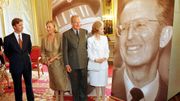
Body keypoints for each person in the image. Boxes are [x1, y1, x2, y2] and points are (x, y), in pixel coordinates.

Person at [111, 0, 174, 101]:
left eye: (140, 25)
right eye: (124, 28)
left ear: (164, 36)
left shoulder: (171, 96)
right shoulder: (113, 89)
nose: (130, 36)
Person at [3, 18, 34, 101]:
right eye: (20, 25)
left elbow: (29, 49)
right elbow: (7, 53)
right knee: (17, 87)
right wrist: (15, 59)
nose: (22, 26)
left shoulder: (27, 37)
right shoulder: (7, 39)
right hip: (15, 66)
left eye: (22, 24)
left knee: (29, 85)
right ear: (14, 26)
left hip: (27, 65)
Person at [41, 20, 69, 101]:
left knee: (60, 82)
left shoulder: (60, 36)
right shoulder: (44, 38)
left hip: (59, 63)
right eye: (47, 27)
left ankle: (62, 98)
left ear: (54, 27)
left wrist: (53, 58)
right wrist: (46, 61)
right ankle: (56, 98)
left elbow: (62, 51)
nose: (48, 28)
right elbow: (42, 52)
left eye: (49, 27)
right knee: (54, 82)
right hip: (50, 64)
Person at [63, 15, 88, 101]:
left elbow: (87, 47)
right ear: (71, 23)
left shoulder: (85, 32)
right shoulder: (66, 34)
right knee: (75, 86)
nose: (78, 24)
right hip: (72, 65)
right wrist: (66, 64)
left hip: (84, 63)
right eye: (75, 22)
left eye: (79, 22)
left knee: (84, 86)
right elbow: (64, 51)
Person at [87, 21, 109, 101]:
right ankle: (97, 97)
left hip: (103, 64)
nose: (103, 29)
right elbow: (89, 53)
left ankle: (103, 98)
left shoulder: (104, 38)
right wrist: (96, 60)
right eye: (102, 28)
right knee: (96, 82)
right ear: (97, 29)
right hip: (94, 64)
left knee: (103, 82)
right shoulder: (90, 40)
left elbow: (107, 51)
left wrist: (104, 58)